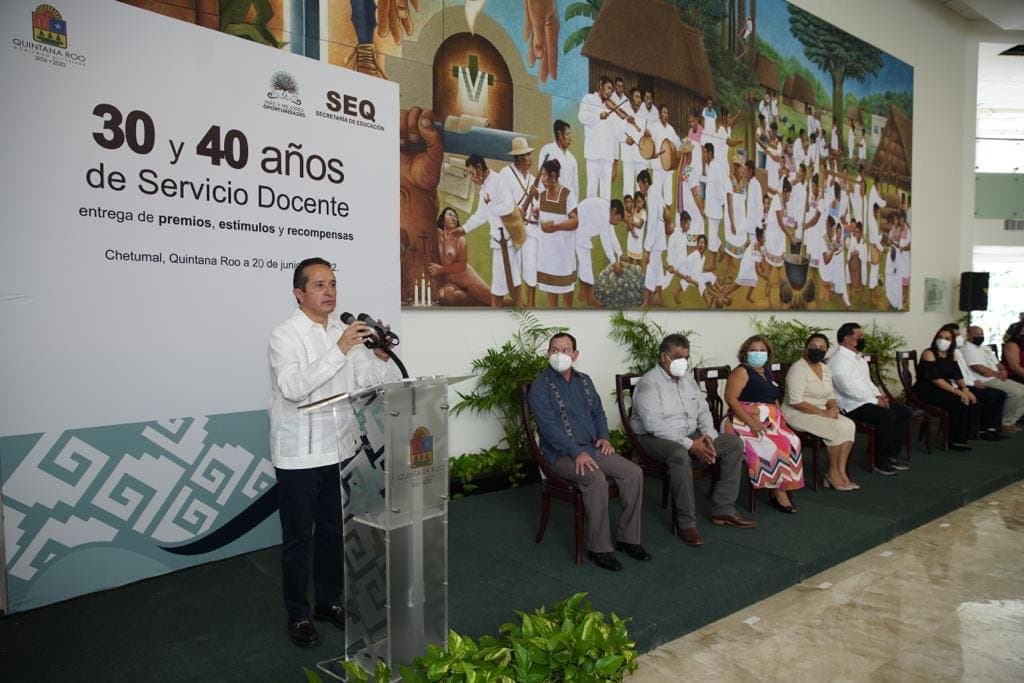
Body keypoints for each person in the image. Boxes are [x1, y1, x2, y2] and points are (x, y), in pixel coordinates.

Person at [269, 257, 401, 647]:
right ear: (299, 293)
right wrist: (340, 349)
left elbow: (369, 383)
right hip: (298, 454)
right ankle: (298, 614)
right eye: (320, 285)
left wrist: (378, 356)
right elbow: (294, 387)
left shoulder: (345, 333)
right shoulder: (284, 335)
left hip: (336, 449)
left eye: (333, 284)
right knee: (298, 537)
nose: (330, 292)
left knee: (331, 532)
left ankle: (328, 601)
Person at [529, 333, 650, 571]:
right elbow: (549, 429)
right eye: (554, 349)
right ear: (547, 353)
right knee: (596, 480)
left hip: (592, 448)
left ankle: (628, 539)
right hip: (561, 456)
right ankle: (600, 548)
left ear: (575, 355)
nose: (559, 355)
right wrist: (575, 452)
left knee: (633, 473)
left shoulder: (585, 380)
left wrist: (604, 436)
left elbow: (598, 413)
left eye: (565, 350)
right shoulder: (540, 387)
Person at [631, 334, 756, 546]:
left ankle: (723, 509)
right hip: (654, 439)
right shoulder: (649, 383)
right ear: (663, 357)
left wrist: (708, 436)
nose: (683, 362)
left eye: (686, 357)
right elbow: (655, 426)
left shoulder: (687, 379)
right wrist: (691, 445)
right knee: (679, 455)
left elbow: (703, 411)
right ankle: (686, 523)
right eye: (678, 357)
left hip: (691, 436)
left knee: (733, 444)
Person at [723, 335, 804, 512]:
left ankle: (783, 482)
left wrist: (780, 421)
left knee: (793, 440)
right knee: (775, 444)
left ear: (768, 353)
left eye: (762, 350)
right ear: (745, 353)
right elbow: (730, 398)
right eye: (753, 350)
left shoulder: (767, 372)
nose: (757, 353)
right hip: (742, 420)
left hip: (768, 419)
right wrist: (751, 421)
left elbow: (773, 399)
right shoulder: (742, 371)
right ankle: (777, 491)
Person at [829, 322, 912, 474]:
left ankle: (892, 454)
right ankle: (880, 461)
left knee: (904, 411)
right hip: (852, 405)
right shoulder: (838, 361)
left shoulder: (857, 357)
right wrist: (875, 401)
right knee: (887, 416)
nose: (863, 339)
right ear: (847, 339)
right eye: (859, 336)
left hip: (867, 399)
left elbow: (868, 382)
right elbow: (848, 390)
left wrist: (878, 395)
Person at [783, 334, 859, 490]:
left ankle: (841, 471)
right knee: (838, 427)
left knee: (849, 424)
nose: (817, 350)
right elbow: (795, 401)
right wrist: (822, 413)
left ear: (826, 351)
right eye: (813, 347)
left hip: (821, 411)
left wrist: (832, 407)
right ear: (806, 348)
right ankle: (832, 474)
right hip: (797, 413)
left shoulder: (825, 368)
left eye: (821, 348)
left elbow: (830, 395)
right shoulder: (798, 368)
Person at [462, 154, 520, 308]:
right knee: (503, 286)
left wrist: (491, 206)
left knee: (505, 286)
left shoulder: (498, 181)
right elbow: (481, 215)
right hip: (498, 242)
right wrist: (464, 229)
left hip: (506, 242)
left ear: (480, 168)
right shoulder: (484, 188)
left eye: (472, 173)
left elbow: (509, 207)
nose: (472, 178)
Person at [912, 328, 977, 450]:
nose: (942, 341)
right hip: (926, 390)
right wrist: (958, 392)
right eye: (940, 337)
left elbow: (957, 375)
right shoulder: (929, 353)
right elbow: (936, 379)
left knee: (969, 399)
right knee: (957, 401)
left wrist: (965, 389)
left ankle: (963, 436)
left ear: (952, 341)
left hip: (943, 389)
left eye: (947, 339)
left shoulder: (951, 355)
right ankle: (952, 440)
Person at [940, 322, 1008, 440]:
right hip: (959, 385)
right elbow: (955, 375)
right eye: (956, 336)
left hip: (968, 383)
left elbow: (965, 371)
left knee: (1001, 394)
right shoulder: (949, 353)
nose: (960, 338)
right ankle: (982, 430)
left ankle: (993, 428)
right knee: (990, 396)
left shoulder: (957, 351)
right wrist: (970, 384)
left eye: (959, 335)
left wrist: (974, 380)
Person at [499, 138, 539, 307]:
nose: (530, 158)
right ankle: (518, 304)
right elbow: (501, 201)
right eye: (526, 155)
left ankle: (531, 305)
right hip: (513, 228)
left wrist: (536, 203)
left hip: (530, 228)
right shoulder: (505, 174)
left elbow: (538, 205)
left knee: (531, 268)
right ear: (518, 157)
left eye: (530, 154)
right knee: (514, 269)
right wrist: (517, 210)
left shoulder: (533, 178)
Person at [962, 325, 1024, 432]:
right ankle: (1005, 422)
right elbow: (979, 368)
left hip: (995, 377)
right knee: (1017, 392)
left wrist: (1003, 370)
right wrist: (997, 374)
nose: (980, 336)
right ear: (968, 336)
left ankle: (1012, 420)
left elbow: (997, 363)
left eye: (981, 334)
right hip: (983, 380)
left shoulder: (984, 348)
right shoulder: (967, 348)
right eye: (976, 334)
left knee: (1022, 389)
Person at [535, 159, 579, 307]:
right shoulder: (541, 196)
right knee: (551, 297)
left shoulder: (567, 195)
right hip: (548, 256)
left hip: (564, 255)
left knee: (567, 296)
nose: (542, 180)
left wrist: (556, 226)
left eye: (544, 176)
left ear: (553, 176)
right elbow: (540, 218)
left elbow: (575, 221)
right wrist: (536, 216)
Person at [427, 207, 491, 305]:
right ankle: (475, 301)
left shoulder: (460, 240)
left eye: (455, 216)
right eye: (450, 215)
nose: (453, 218)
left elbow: (462, 266)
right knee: (444, 296)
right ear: (442, 220)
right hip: (451, 282)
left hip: (466, 278)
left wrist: (441, 269)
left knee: (494, 299)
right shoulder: (437, 234)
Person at [578, 75, 619, 199]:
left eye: (611, 90)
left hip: (607, 156)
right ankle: (591, 217)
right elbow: (581, 117)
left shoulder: (611, 107)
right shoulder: (589, 99)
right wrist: (598, 116)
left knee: (606, 191)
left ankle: (603, 217)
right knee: (592, 188)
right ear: (600, 85)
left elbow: (615, 134)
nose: (609, 91)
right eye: (607, 88)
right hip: (593, 154)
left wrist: (615, 159)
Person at [537, 119, 580, 203]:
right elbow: (542, 178)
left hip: (568, 204)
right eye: (567, 134)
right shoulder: (547, 151)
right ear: (559, 134)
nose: (570, 138)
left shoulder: (572, 159)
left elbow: (575, 186)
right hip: (551, 202)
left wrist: (575, 206)